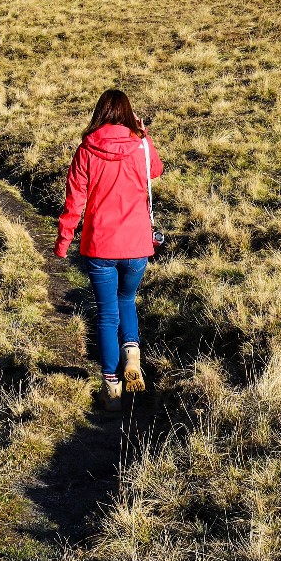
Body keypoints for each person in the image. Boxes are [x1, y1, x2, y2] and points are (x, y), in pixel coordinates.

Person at [54, 87, 163, 401]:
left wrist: (63, 243)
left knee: (106, 314)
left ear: (99, 113)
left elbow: (74, 203)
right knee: (127, 300)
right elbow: (154, 170)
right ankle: (132, 354)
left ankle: (112, 389)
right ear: (128, 113)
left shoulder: (86, 150)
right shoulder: (140, 144)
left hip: (100, 246)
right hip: (137, 245)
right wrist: (144, 135)